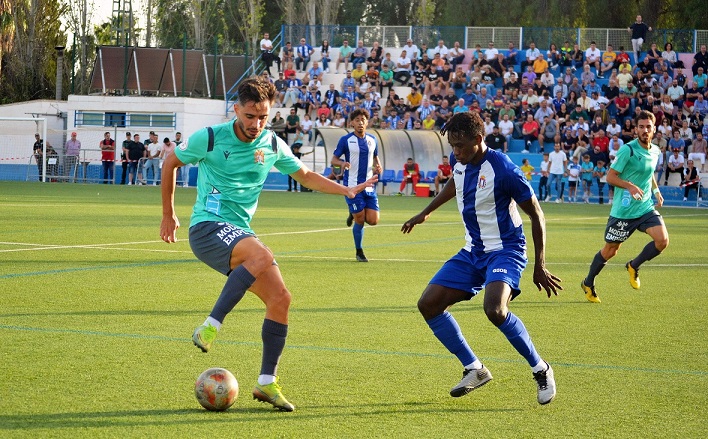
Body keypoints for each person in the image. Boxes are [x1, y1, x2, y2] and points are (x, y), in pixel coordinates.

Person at [160, 78, 376, 412]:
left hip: (240, 233)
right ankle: (210, 325)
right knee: (262, 254)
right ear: (236, 109)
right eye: (249, 116)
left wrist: (345, 190)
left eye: (263, 117)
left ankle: (265, 383)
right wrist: (168, 214)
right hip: (207, 227)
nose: (256, 124)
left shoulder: (272, 143)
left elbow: (304, 175)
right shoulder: (212, 137)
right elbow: (170, 163)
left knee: (281, 299)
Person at [400, 111, 561, 405]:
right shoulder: (459, 161)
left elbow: (536, 214)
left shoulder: (505, 171)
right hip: (473, 250)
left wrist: (540, 266)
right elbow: (455, 182)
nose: (456, 152)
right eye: (452, 146)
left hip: (506, 250)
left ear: (479, 139)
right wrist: (426, 212)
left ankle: (541, 369)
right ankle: (475, 368)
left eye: (461, 145)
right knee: (428, 304)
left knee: (495, 309)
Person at [581, 110, 667, 304]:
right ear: (636, 129)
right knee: (610, 250)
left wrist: (656, 191)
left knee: (662, 241)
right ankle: (588, 283)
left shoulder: (655, 151)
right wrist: (629, 185)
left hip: (644, 207)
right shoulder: (627, 150)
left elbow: (649, 173)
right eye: (642, 127)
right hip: (624, 211)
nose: (645, 130)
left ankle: (633, 266)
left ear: (654, 129)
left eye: (649, 127)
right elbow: (610, 177)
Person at [330, 109, 382, 262]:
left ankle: (352, 212)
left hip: (369, 187)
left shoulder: (373, 140)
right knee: (360, 220)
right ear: (351, 123)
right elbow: (334, 160)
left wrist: (378, 166)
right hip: (352, 187)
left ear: (367, 122)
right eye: (357, 120)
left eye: (363, 120)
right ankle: (359, 252)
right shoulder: (346, 140)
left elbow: (376, 158)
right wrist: (342, 163)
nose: (360, 122)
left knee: (373, 220)